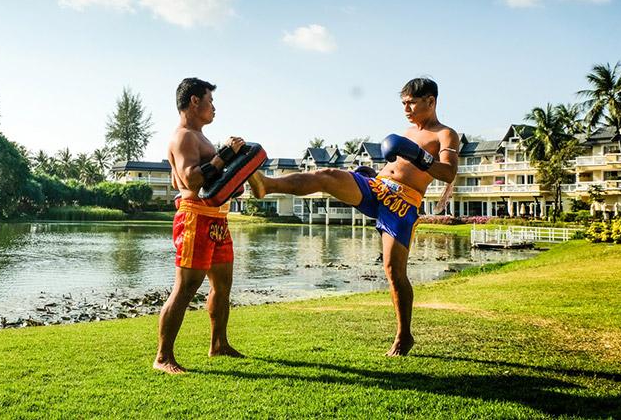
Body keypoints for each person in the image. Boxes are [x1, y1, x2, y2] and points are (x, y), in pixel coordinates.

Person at [248, 77, 459, 356]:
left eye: (412, 103)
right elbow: (395, 166)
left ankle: (404, 335)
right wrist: (373, 173)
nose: (406, 108)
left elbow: (448, 173)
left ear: (430, 102)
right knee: (327, 175)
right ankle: (268, 184)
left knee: (394, 272)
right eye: (403, 103)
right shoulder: (406, 132)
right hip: (376, 187)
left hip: (402, 204)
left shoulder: (445, 134)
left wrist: (419, 156)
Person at [154, 77, 245, 374]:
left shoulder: (201, 137)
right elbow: (192, 178)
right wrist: (225, 155)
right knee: (186, 287)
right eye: (210, 100)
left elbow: (215, 178)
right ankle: (163, 357)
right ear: (195, 101)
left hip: (217, 218)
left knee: (222, 286)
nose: (214, 107)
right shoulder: (183, 137)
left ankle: (218, 344)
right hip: (194, 217)